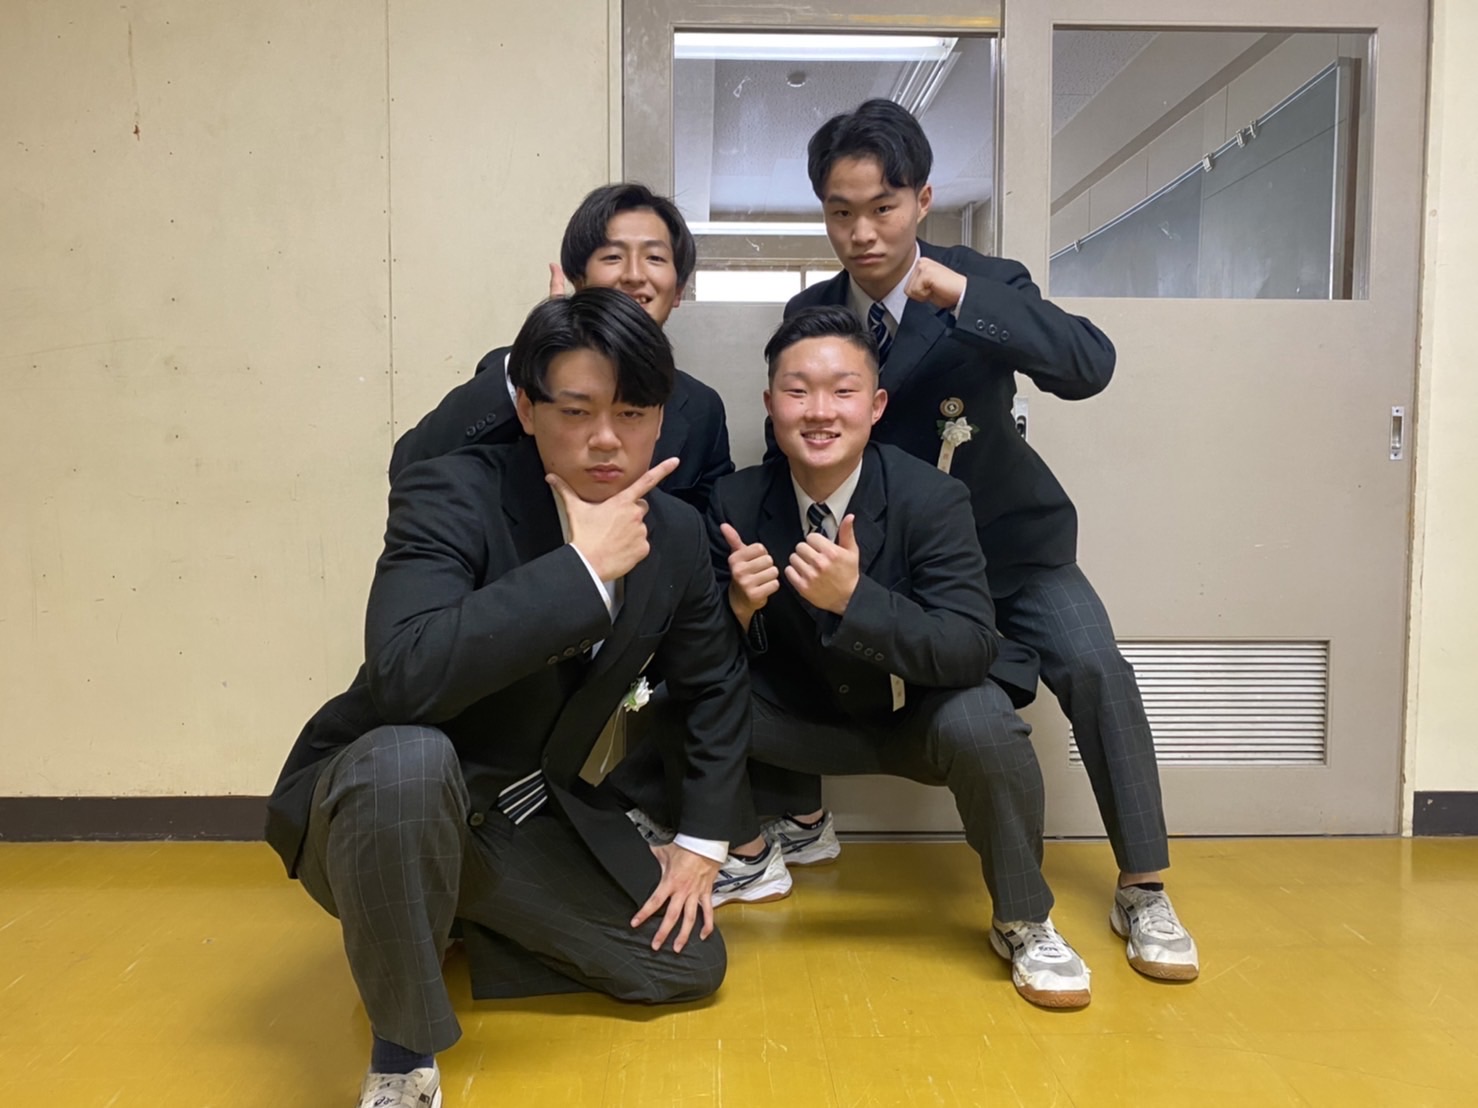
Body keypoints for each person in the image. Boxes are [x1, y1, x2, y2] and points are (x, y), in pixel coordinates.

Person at [265, 288, 752, 1108]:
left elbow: (714, 686)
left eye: (633, 413)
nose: (607, 438)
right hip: (378, 799)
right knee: (410, 759)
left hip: (512, 815)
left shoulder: (672, 533)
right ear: (527, 410)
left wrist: (702, 843)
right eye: (577, 411)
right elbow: (404, 673)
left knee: (686, 963)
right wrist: (581, 574)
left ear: (661, 420)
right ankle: (402, 1052)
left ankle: (425, 919)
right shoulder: (450, 491)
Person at [777, 98, 1197, 982]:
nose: (861, 233)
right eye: (840, 212)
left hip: (1013, 545)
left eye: (883, 208)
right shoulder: (814, 309)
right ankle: (815, 826)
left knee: (1096, 668)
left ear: (923, 200)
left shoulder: (984, 279)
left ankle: (1144, 887)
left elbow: (1088, 365)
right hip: (916, 571)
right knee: (938, 701)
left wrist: (964, 298)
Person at [609, 306, 1093, 1010]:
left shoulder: (933, 498)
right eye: (797, 390)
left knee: (985, 720)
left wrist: (855, 601)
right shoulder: (736, 500)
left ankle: (1025, 918)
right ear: (770, 403)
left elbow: (970, 645)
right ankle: (751, 852)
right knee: (688, 690)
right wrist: (735, 608)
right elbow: (687, 660)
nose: (819, 411)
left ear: (876, 404)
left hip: (915, 719)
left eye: (842, 390)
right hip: (793, 727)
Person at [390, 182, 733, 510]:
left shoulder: (702, 408)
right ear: (578, 281)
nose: (633, 275)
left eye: (654, 258)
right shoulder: (515, 376)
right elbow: (410, 468)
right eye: (612, 257)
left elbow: (708, 529)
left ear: (678, 290)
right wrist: (541, 352)